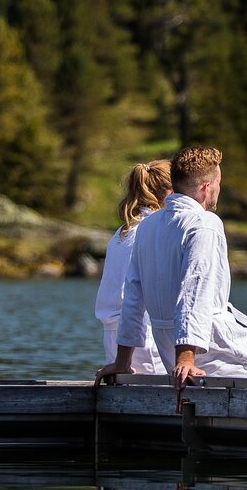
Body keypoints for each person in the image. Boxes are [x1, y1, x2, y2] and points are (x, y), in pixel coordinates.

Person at [98, 146, 247, 387]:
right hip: (213, 345)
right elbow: (194, 290)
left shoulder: (147, 227)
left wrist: (122, 361)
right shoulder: (203, 224)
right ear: (206, 187)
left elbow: (132, 296)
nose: (219, 190)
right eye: (219, 183)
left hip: (172, 348)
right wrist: (186, 358)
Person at [93, 160, 170, 375]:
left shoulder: (122, 232)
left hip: (115, 338)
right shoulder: (154, 230)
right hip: (142, 339)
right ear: (171, 192)